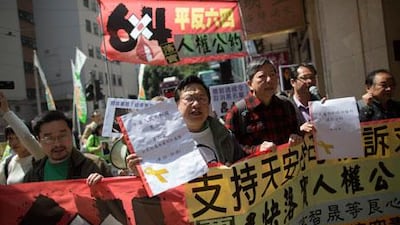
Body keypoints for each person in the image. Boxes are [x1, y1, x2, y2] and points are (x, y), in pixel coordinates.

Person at [126, 76, 245, 174]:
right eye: (189, 99)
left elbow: (244, 168)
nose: (196, 104)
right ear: (176, 105)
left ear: (209, 104)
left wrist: (234, 169)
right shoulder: (160, 141)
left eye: (202, 99)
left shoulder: (226, 136)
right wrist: (140, 173)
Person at [224, 57, 303, 155]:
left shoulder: (286, 105)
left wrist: (296, 137)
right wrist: (257, 149)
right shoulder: (237, 112)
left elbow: (296, 131)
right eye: (262, 76)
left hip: (287, 167)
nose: (269, 80)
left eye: (272, 75)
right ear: (250, 84)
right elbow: (230, 149)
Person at [23, 110, 112, 185]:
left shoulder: (95, 166)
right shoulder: (33, 176)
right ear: (38, 140)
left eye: (62, 136)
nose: (57, 144)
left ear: (71, 134)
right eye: (49, 138)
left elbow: (117, 202)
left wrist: (104, 186)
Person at [0, 91, 45, 185]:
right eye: (10, 138)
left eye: (17, 138)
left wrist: (6, 111)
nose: (14, 142)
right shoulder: (7, 164)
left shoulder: (40, 157)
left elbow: (26, 137)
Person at [289, 63, 322, 133]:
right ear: (293, 82)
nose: (309, 81)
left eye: (312, 77)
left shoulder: (319, 102)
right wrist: (299, 130)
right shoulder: (287, 107)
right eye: (304, 78)